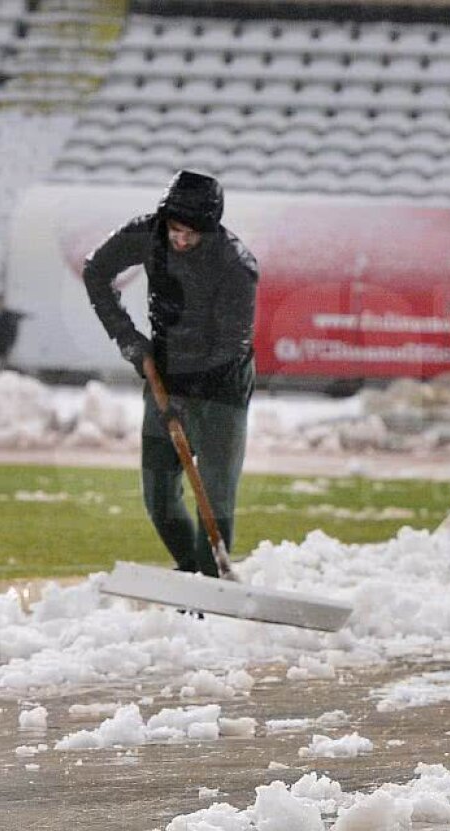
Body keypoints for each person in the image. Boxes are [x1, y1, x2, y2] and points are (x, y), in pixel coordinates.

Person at [84, 170, 258, 578]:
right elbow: (96, 270)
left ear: (209, 230)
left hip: (223, 387)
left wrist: (184, 394)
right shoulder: (148, 234)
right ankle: (188, 570)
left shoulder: (236, 265)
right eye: (175, 229)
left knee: (214, 496)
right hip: (162, 374)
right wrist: (126, 336)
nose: (179, 239)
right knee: (159, 497)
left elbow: (230, 345)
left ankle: (211, 583)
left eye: (191, 233)